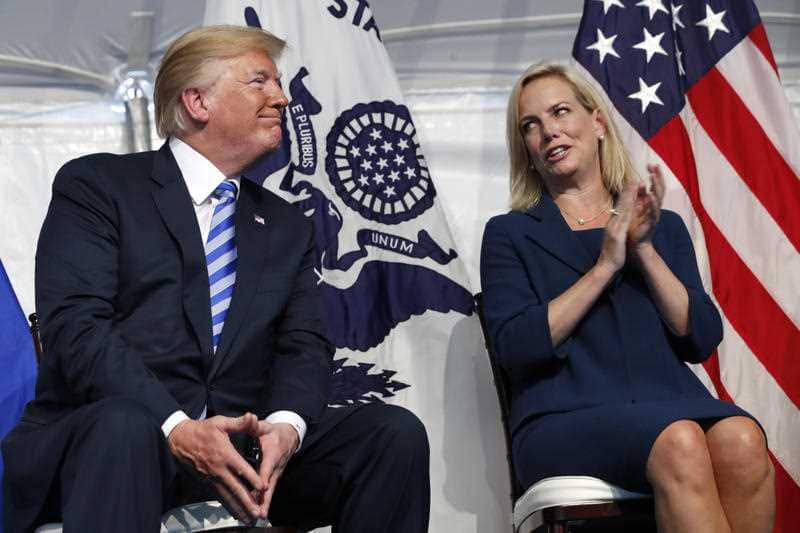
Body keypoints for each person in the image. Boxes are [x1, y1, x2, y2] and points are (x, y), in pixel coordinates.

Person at [2, 25, 429, 533]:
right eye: (260, 81)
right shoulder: (98, 186)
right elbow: (76, 329)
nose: (283, 98)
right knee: (125, 425)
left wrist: (286, 428)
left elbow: (304, 344)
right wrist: (177, 427)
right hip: (122, 440)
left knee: (391, 433)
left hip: (240, 453)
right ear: (197, 101)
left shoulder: (287, 226)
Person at [480, 62, 774, 532]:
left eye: (560, 112)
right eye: (530, 125)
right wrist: (605, 266)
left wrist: (643, 249)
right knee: (679, 441)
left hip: (665, 399)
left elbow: (700, 337)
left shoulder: (661, 226)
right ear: (527, 149)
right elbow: (516, 347)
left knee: (742, 438)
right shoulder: (509, 234)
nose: (548, 131)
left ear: (597, 123)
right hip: (565, 413)